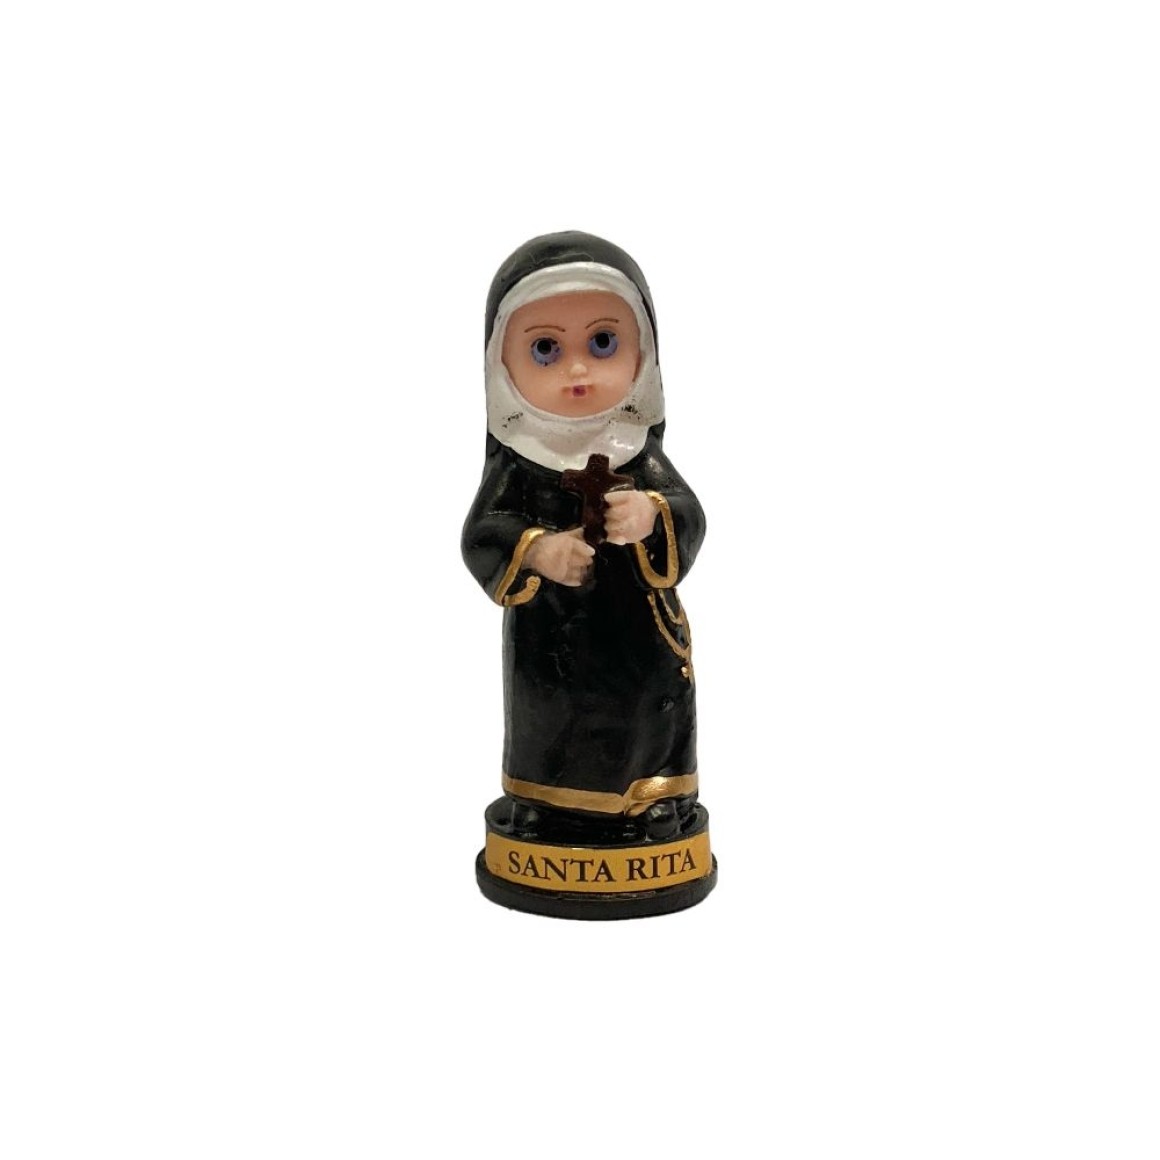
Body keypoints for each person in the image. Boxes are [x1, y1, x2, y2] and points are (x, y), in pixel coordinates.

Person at [462, 231, 706, 844]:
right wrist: (536, 549)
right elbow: (483, 532)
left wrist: (651, 515)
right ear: (501, 364)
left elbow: (688, 514)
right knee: (547, 715)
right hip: (551, 635)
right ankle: (543, 800)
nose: (577, 370)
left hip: (636, 632)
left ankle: (652, 796)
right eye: (545, 348)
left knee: (646, 706)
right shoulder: (520, 461)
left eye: (602, 343)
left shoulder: (636, 452)